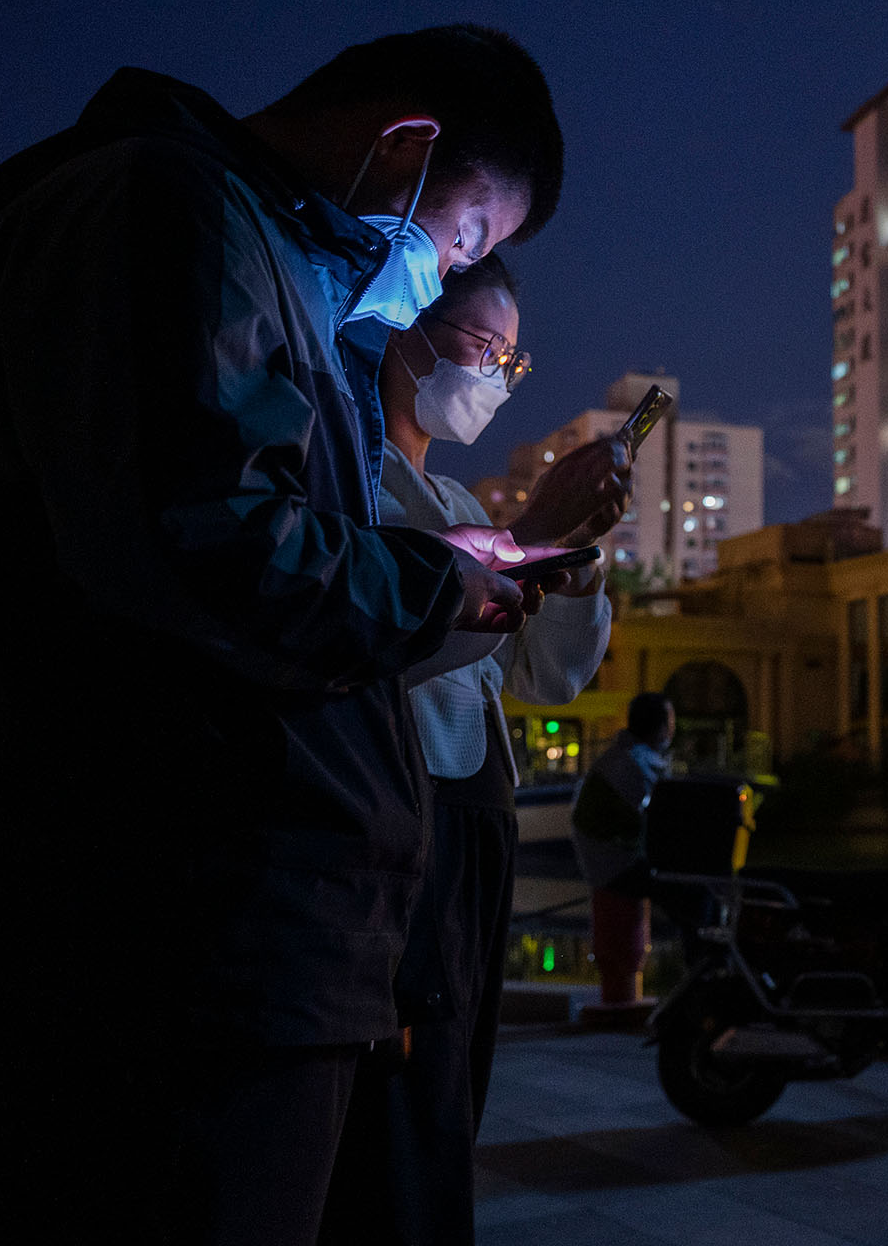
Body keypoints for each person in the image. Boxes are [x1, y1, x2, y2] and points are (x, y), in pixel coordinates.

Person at [0, 25, 596, 1245]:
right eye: (465, 236)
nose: (445, 270)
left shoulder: (251, 252)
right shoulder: (168, 208)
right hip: (195, 930)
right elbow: (209, 540)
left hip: (246, 928)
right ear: (404, 146)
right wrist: (438, 586)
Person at [320, 253, 625, 1244]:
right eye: (480, 348)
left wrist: (569, 564)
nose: (495, 374)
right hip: (418, 812)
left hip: (478, 809)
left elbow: (545, 674)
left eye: (510, 358)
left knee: (455, 1078)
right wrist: (529, 532)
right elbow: (382, 639)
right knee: (408, 1090)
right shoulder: (346, 477)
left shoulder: (453, 505)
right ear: (405, 330)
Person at [572, 692, 678, 1009]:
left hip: (607, 863)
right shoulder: (633, 765)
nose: (673, 729)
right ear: (660, 728)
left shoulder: (624, 757)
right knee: (690, 893)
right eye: (671, 722)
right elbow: (660, 821)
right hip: (616, 867)